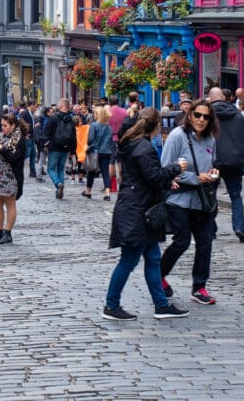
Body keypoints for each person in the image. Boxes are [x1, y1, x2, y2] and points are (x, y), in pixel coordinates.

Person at [103, 107, 190, 321]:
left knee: (152, 258)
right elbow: (153, 175)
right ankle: (111, 305)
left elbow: (145, 176)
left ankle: (161, 305)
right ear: (157, 125)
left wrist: (167, 179)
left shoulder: (134, 143)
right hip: (137, 211)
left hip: (140, 208)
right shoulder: (143, 147)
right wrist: (176, 168)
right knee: (129, 260)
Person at [159, 99, 220, 306]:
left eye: (206, 117)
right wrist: (195, 178)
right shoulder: (177, 136)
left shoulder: (210, 139)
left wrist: (212, 174)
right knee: (182, 241)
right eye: (198, 115)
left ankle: (199, 286)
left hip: (203, 200)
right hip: (180, 200)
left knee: (205, 243)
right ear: (190, 115)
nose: (201, 120)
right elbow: (166, 169)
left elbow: (211, 164)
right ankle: (159, 276)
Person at [208, 88, 244, 243]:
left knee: (210, 194)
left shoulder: (207, 115)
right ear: (224, 98)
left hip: (214, 163)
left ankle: (211, 230)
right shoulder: (238, 115)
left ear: (210, 99)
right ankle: (239, 227)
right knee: (235, 196)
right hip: (234, 161)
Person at [0, 113, 26, 244]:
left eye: (5, 125)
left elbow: (14, 158)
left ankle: (8, 233)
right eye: (1, 125)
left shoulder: (19, 139)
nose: (2, 128)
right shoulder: (2, 135)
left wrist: (0, 148)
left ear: (13, 126)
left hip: (10, 176)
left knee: (10, 203)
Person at [43, 98, 76, 199]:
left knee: (51, 169)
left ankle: (58, 184)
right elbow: (74, 136)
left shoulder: (53, 118)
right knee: (61, 169)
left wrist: (46, 144)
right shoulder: (72, 119)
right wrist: (73, 150)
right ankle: (60, 189)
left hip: (54, 147)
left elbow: (46, 132)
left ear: (62, 106)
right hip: (65, 148)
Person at [84, 105, 114, 200]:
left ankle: (88, 191)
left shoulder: (94, 125)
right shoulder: (108, 126)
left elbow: (90, 139)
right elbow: (110, 140)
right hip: (106, 152)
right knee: (105, 173)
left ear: (98, 114)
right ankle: (107, 194)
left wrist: (88, 145)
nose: (94, 115)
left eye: (95, 113)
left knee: (91, 172)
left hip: (95, 151)